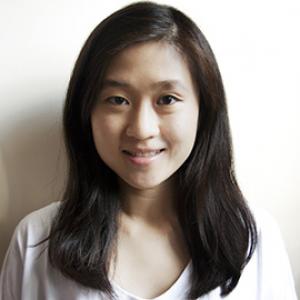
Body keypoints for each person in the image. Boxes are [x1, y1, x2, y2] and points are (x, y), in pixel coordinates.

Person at [0, 1, 297, 299]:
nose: (142, 129)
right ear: (86, 112)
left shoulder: (254, 239)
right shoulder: (36, 241)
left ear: (203, 111)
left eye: (167, 99)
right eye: (117, 100)